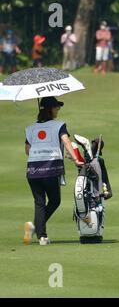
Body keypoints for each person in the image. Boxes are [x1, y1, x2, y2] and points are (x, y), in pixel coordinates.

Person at [24, 97, 84, 246]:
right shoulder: (59, 125)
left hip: (32, 169)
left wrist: (41, 148)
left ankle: (39, 232)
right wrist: (76, 158)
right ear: (50, 109)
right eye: (57, 107)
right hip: (50, 168)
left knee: (39, 202)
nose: (58, 109)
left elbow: (27, 150)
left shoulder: (30, 128)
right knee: (55, 200)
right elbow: (66, 141)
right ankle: (40, 233)